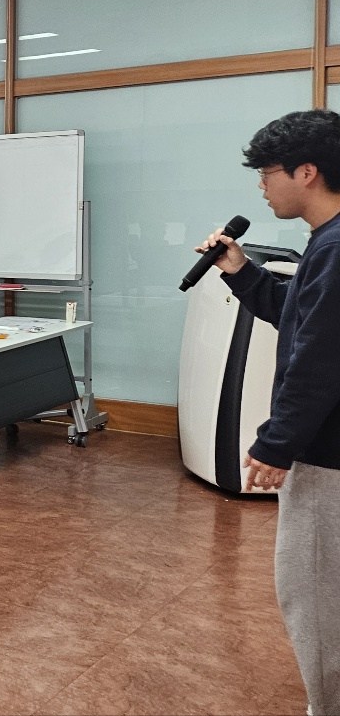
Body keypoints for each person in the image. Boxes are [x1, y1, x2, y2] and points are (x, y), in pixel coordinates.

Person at [197, 108, 340, 716]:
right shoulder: (327, 242)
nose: (261, 185)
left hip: (329, 458)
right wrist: (241, 271)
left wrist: (276, 443)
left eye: (267, 172)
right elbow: (301, 316)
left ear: (307, 172)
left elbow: (319, 360)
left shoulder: (336, 248)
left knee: (316, 594)